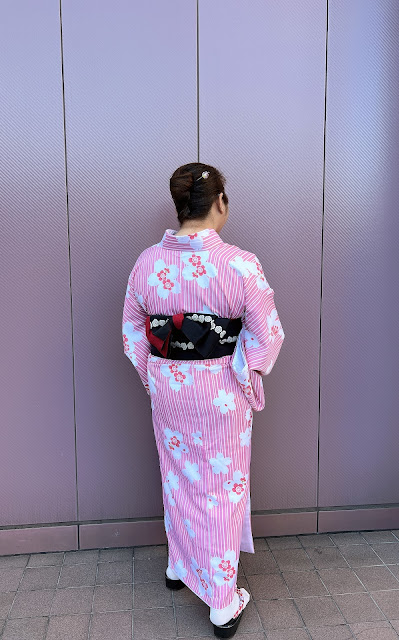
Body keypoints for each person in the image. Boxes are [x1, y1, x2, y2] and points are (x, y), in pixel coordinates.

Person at [122, 162, 285, 637]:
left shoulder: (147, 263)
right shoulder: (239, 264)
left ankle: (179, 565)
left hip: (170, 390)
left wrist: (156, 375)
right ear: (219, 204)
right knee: (219, 488)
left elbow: (134, 329)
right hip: (220, 397)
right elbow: (269, 335)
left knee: (178, 477)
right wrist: (243, 369)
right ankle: (220, 601)